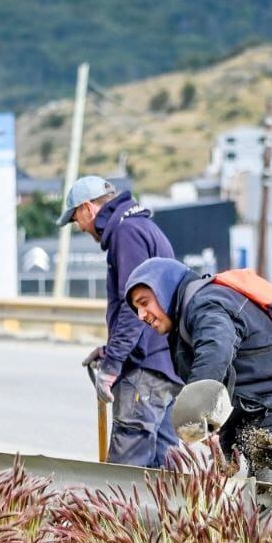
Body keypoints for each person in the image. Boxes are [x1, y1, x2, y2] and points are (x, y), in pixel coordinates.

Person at [122, 257, 272, 488]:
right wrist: (226, 447)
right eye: (137, 309)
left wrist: (194, 409)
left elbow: (216, 350)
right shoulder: (188, 318)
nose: (141, 315)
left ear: (164, 289)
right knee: (265, 505)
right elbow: (231, 386)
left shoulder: (205, 304)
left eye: (144, 302)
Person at [57, 176, 180, 467]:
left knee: (125, 478)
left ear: (88, 208)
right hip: (166, 368)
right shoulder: (144, 227)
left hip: (145, 372)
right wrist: (109, 350)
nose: (80, 227)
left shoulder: (126, 233)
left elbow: (134, 310)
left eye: (76, 218)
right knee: (166, 477)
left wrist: (111, 367)